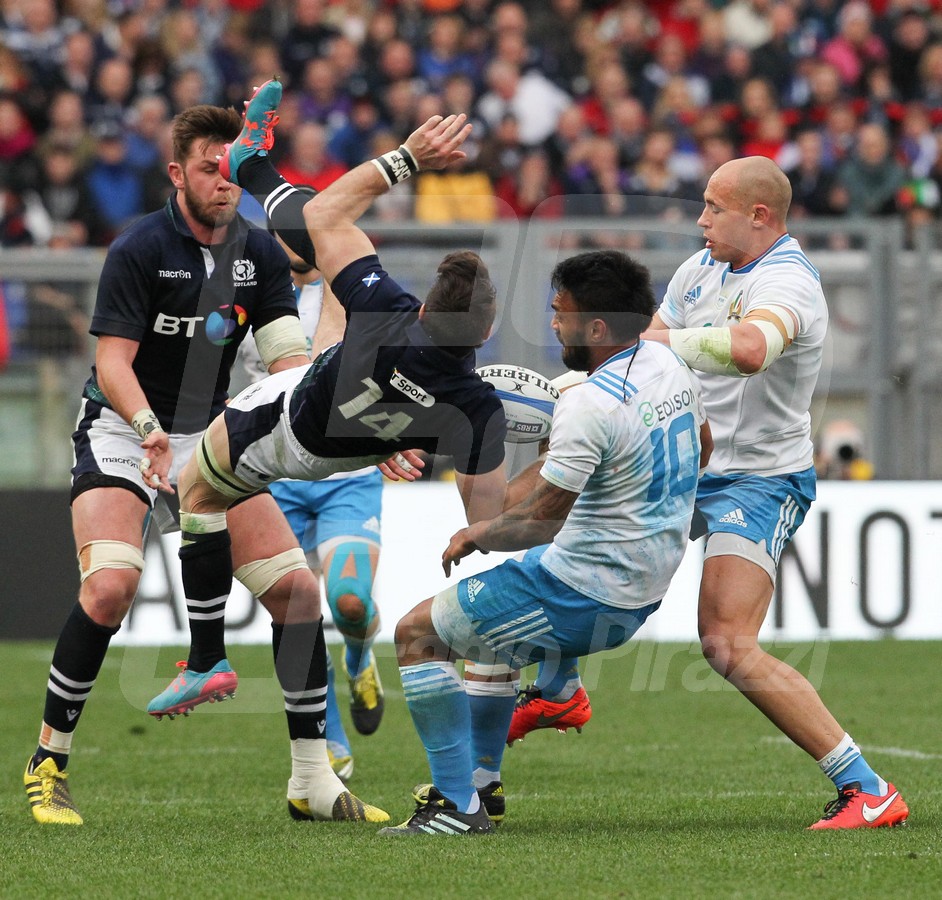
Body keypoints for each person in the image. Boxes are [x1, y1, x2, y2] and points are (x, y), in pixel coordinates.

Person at [514, 156, 909, 831]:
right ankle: (557, 688)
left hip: (759, 478)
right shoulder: (701, 270)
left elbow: (751, 348)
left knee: (726, 643)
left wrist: (653, 341)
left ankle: (868, 788)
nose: (700, 220)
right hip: (685, 457)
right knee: (569, 519)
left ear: (759, 216)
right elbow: (650, 356)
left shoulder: (790, 281)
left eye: (712, 208)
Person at [23, 101, 387, 827]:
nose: (224, 179)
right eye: (207, 167)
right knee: (110, 589)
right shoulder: (138, 248)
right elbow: (111, 360)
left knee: (298, 595)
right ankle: (47, 763)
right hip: (124, 429)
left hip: (211, 437)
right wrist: (151, 426)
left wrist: (368, 428)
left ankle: (312, 782)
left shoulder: (257, 254)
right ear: (177, 174)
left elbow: (289, 364)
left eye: (231, 167)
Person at [155, 79, 511, 804]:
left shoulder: (385, 306)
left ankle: (205, 658)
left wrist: (409, 156)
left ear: (427, 304)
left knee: (193, 488)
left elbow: (326, 215)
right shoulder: (475, 405)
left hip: (284, 425)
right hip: (341, 447)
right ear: (483, 335)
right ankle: (255, 164)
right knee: (305, 593)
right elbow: (488, 520)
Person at [378, 249, 711, 836]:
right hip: (646, 580)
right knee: (496, 642)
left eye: (560, 313)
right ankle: (485, 782)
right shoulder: (667, 364)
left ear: (597, 327)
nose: (553, 323)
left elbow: (538, 523)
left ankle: (456, 808)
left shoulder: (589, 403)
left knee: (417, 634)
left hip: (583, 590)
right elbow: (702, 446)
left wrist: (475, 532)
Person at [232, 203, 388, 780]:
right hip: (277, 476)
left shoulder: (349, 291)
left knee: (349, 602)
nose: (291, 237)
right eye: (282, 227)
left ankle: (360, 654)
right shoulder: (250, 291)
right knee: (297, 611)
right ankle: (331, 739)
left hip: (346, 472)